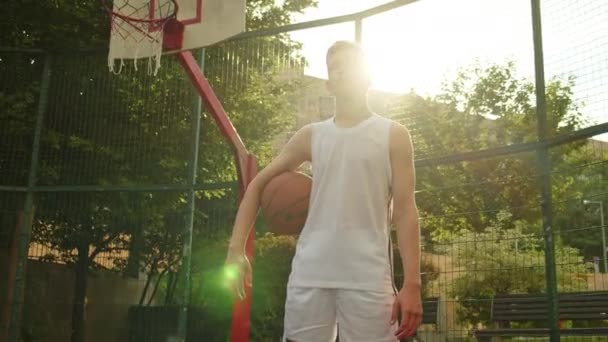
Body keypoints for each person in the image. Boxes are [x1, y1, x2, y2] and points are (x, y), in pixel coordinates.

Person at [224, 40, 422, 341]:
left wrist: (412, 284)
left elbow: (406, 210)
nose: (341, 73)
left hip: (368, 276)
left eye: (349, 66)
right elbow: (257, 186)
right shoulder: (312, 136)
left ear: (367, 77)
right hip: (310, 275)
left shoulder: (393, 135)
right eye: (335, 68)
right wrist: (236, 249)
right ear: (328, 84)